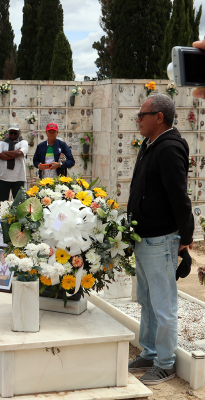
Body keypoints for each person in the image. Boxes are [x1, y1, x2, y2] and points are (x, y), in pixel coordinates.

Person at [127, 94, 194, 385]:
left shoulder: (168, 148)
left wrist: (186, 237)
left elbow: (179, 196)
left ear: (159, 117)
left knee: (163, 305)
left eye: (142, 114)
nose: (138, 119)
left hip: (160, 239)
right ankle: (150, 351)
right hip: (144, 236)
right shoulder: (150, 144)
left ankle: (165, 363)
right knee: (146, 300)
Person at [0, 123, 29, 210]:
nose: (13, 135)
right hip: (4, 178)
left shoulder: (23, 142)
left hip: (18, 178)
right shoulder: (2, 143)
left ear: (19, 133)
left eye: (15, 133)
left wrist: (5, 152)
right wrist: (15, 153)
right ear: (8, 132)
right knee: (2, 205)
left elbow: (20, 153)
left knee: (19, 205)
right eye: (11, 132)